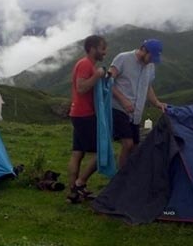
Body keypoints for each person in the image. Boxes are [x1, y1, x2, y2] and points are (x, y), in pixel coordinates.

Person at [109, 38, 166, 169]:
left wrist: (157, 103)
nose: (151, 61)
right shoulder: (123, 58)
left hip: (135, 112)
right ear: (143, 50)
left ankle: (131, 174)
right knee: (127, 144)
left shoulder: (150, 66)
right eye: (151, 57)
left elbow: (148, 86)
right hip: (118, 108)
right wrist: (123, 100)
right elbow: (108, 82)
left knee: (135, 146)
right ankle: (121, 178)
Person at [66, 34, 108, 203]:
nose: (105, 52)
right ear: (92, 49)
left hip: (78, 114)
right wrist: (97, 75)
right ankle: (79, 184)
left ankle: (73, 194)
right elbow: (81, 87)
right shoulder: (85, 64)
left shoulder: (87, 64)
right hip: (84, 115)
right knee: (102, 152)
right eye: (102, 48)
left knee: (78, 153)